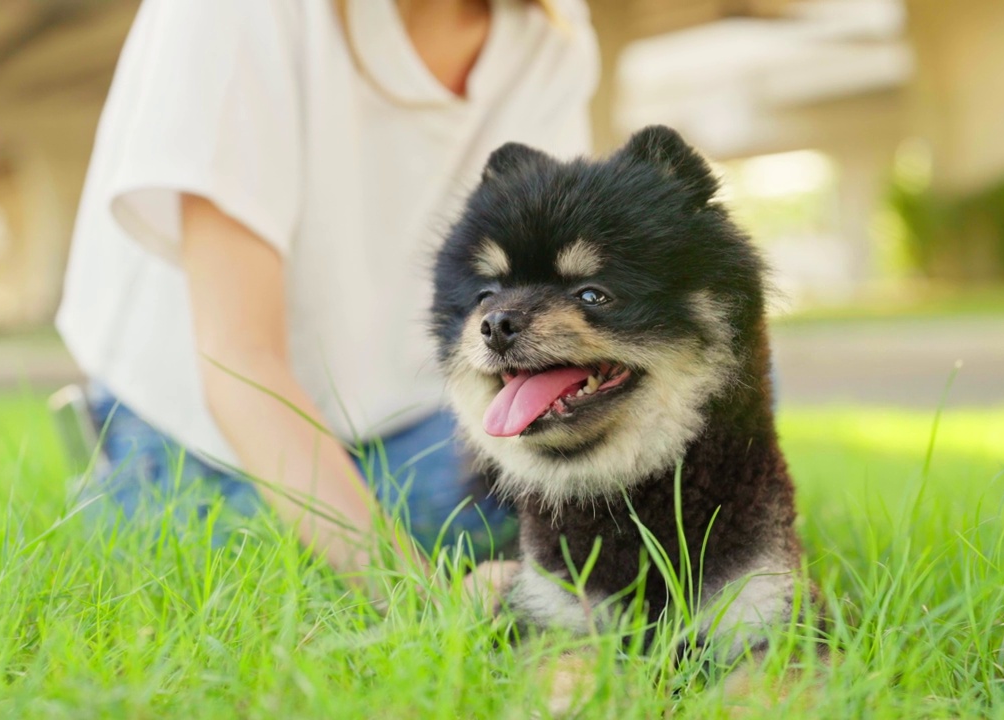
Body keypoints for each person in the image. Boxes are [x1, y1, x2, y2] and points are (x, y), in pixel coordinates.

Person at [54, 0, 599, 577]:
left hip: (425, 419)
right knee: (261, 563)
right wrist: (420, 600)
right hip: (212, 443)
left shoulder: (550, 28)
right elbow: (240, 363)